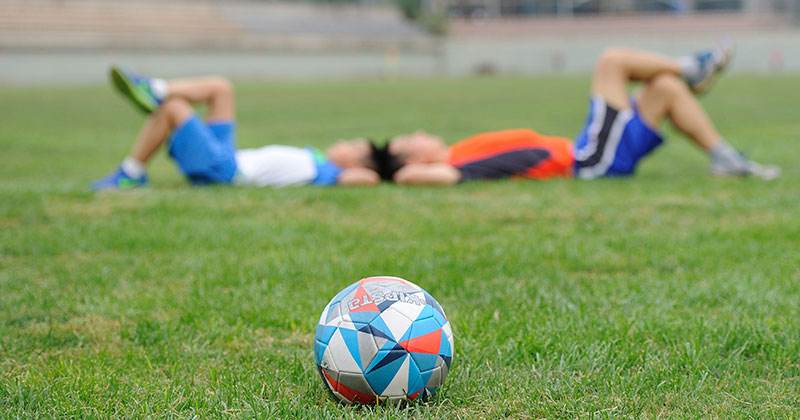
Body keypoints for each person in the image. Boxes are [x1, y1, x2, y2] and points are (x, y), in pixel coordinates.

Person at [379, 44, 782, 185]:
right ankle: (694, 67)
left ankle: (725, 158)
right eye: (409, 140)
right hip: (589, 160)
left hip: (590, 154)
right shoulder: (453, 164)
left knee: (663, 89)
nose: (417, 131)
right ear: (414, 159)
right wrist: (389, 170)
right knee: (612, 62)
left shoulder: (457, 150)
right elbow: (415, 177)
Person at [91, 68, 382, 190]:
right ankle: (155, 88)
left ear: (355, 163)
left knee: (175, 108)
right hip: (228, 156)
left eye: (352, 147)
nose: (343, 142)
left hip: (225, 171)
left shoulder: (334, 174)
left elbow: (370, 179)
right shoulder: (318, 158)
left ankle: (130, 174)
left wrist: (391, 164)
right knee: (221, 88)